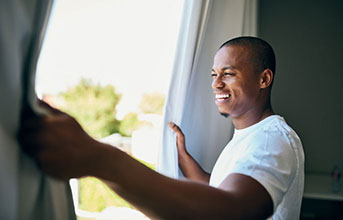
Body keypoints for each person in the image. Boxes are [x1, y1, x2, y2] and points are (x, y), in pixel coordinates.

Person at [20, 36, 304, 220]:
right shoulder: (248, 137)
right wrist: (183, 156)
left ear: (264, 79)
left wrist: (100, 159)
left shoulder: (271, 140)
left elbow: (233, 210)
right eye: (214, 74)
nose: (216, 83)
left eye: (228, 74)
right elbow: (218, 188)